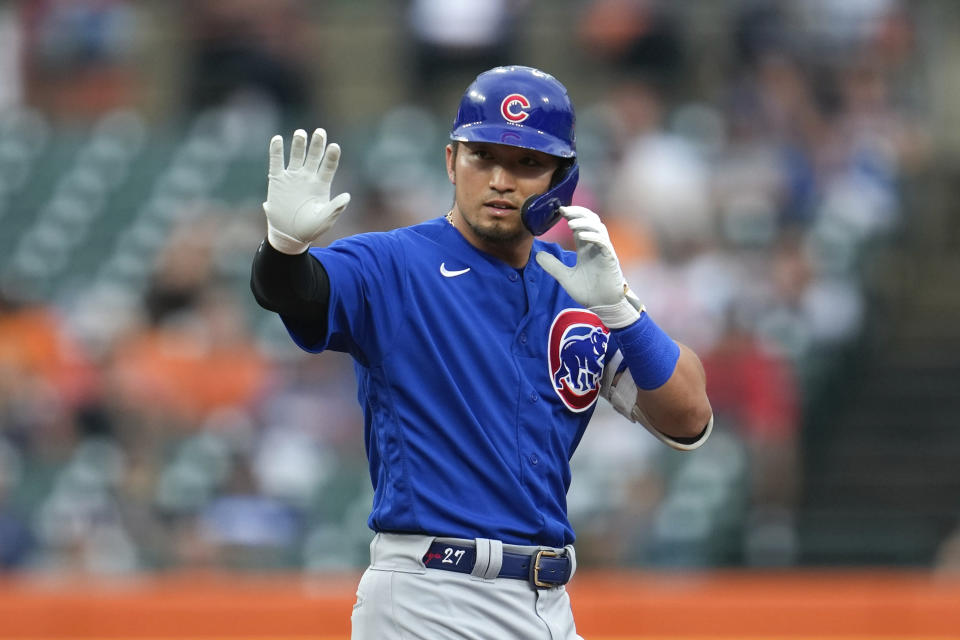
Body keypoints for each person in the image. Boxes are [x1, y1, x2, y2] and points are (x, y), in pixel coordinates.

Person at [251, 65, 712, 639]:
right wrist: (284, 249)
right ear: (451, 162)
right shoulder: (394, 263)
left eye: (527, 164)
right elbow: (294, 293)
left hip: (548, 603)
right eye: (483, 157)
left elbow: (690, 418)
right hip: (430, 594)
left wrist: (621, 310)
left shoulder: (582, 286)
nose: (501, 179)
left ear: (560, 182)